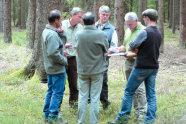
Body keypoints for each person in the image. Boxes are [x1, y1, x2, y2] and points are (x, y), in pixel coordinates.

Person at [108, 9, 162, 124]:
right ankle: (149, 120)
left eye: (144, 18)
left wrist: (133, 50)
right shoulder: (158, 32)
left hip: (141, 67)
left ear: (147, 18)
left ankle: (122, 119)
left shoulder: (144, 32)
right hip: (153, 68)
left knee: (128, 91)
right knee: (151, 95)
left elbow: (132, 46)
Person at [76, 12, 109, 124]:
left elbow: (76, 48)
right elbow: (106, 49)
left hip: (82, 70)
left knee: (82, 97)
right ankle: (93, 122)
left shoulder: (78, 34)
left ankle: (81, 121)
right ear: (94, 22)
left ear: (83, 22)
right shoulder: (101, 34)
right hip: (97, 70)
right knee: (95, 98)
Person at [113, 12, 147, 120]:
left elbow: (145, 51)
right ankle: (136, 111)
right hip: (128, 63)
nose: (128, 26)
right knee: (131, 88)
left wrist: (132, 54)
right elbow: (126, 45)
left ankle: (142, 113)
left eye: (130, 24)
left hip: (139, 63)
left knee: (140, 89)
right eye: (127, 24)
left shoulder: (143, 31)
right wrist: (119, 49)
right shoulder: (128, 30)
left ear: (136, 21)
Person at [42, 10, 68, 123]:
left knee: (51, 91)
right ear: (56, 20)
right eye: (60, 19)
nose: (61, 21)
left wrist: (61, 34)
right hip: (56, 68)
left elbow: (57, 46)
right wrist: (64, 61)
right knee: (57, 93)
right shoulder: (52, 34)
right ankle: (53, 118)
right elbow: (53, 53)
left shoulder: (47, 31)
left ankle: (47, 115)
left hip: (50, 68)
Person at [95, 5, 118, 110]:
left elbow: (114, 46)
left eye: (107, 15)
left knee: (103, 81)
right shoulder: (93, 26)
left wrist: (109, 51)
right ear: (99, 14)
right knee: (91, 79)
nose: (105, 17)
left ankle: (105, 103)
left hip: (104, 59)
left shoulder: (112, 30)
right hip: (92, 59)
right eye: (103, 14)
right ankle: (92, 101)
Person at [62, 7, 84, 108]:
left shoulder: (81, 28)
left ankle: (74, 106)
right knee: (60, 85)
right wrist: (64, 46)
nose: (80, 19)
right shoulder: (62, 25)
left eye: (81, 17)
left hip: (74, 58)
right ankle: (57, 107)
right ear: (73, 15)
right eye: (79, 17)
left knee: (74, 84)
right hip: (62, 57)